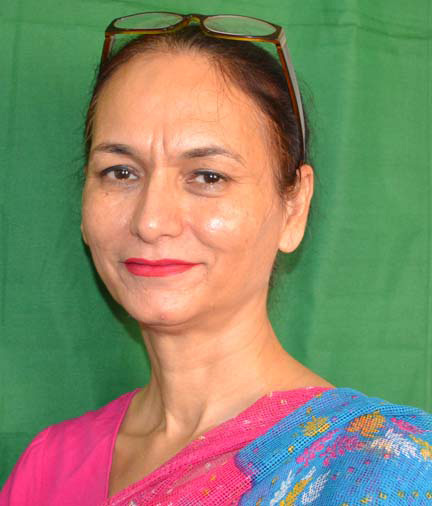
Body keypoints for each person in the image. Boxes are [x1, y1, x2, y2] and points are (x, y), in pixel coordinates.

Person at [1, 11, 432, 506]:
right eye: (120, 172)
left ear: (294, 207)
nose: (151, 221)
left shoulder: (379, 469)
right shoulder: (49, 466)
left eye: (208, 176)